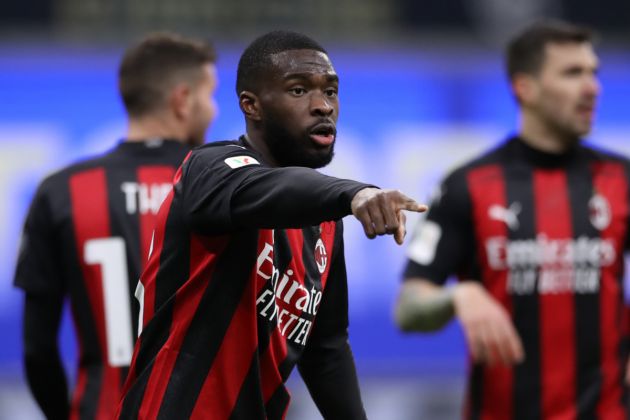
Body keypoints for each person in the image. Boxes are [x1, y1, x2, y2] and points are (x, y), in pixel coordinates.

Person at [116, 30, 426, 420]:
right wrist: (356, 194)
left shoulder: (324, 222)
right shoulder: (211, 168)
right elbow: (264, 188)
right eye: (299, 91)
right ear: (252, 105)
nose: (322, 106)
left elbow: (325, 349)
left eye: (330, 91)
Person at [395, 20, 629, 419]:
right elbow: (408, 308)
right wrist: (458, 296)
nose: (592, 88)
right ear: (526, 88)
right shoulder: (468, 186)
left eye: (593, 73)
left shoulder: (620, 179)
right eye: (573, 73)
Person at [14, 33, 218, 419]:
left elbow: (36, 349)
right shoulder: (225, 187)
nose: (213, 110)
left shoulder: (61, 191)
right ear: (182, 99)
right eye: (210, 94)